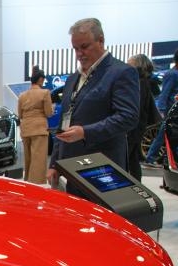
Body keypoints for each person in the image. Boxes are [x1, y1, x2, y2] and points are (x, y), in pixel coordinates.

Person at [47, 18, 139, 193]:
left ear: (101, 41)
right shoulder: (73, 79)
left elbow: (128, 117)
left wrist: (85, 132)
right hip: (72, 171)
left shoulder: (121, 72)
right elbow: (64, 124)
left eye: (84, 47)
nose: (79, 54)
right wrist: (54, 164)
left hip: (104, 169)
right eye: (75, 48)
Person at [143, 46, 178, 167]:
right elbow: (165, 93)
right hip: (170, 110)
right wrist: (162, 110)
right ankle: (150, 158)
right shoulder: (172, 74)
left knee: (169, 135)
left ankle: (166, 159)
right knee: (163, 135)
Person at [126, 53, 161, 179]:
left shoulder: (138, 83)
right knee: (133, 159)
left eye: (129, 63)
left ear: (137, 66)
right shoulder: (144, 82)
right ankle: (136, 184)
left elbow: (136, 108)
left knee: (126, 158)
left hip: (133, 127)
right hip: (138, 126)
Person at [17, 67, 54, 184]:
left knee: (28, 158)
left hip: (26, 128)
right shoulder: (45, 93)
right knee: (38, 159)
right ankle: (36, 184)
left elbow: (20, 114)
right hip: (39, 128)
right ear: (40, 79)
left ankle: (27, 181)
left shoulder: (22, 95)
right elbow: (48, 113)